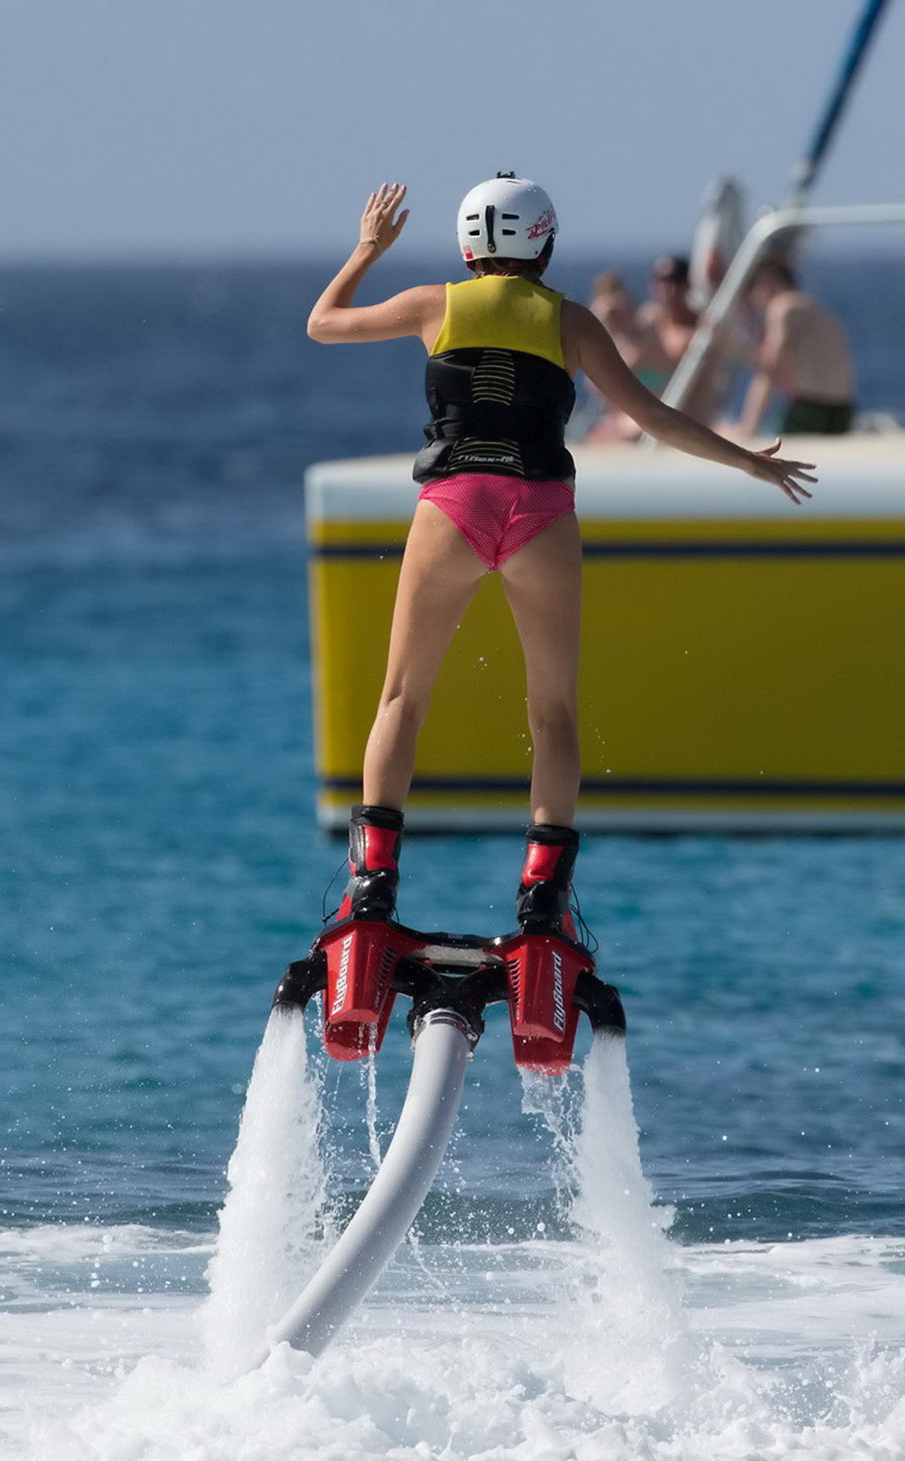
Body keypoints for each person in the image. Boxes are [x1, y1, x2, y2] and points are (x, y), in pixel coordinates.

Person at [306, 175, 816, 943]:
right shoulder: (574, 322)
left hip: (453, 505)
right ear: (543, 240)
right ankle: (542, 900)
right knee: (554, 712)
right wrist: (749, 462)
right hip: (542, 514)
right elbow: (653, 417)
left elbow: (323, 324)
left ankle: (373, 889)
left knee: (401, 701)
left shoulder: (431, 304)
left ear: (467, 243)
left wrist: (367, 249)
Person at [732, 257, 854, 438]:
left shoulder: (781, 307)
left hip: (811, 411)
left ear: (768, 285)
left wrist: (730, 344)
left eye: (752, 287)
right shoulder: (810, 308)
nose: (752, 296)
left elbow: (769, 366)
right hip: (842, 412)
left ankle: (745, 433)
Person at [586, 271, 669, 440]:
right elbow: (595, 386)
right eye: (613, 314)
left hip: (652, 415)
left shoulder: (650, 330)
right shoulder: (608, 348)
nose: (619, 316)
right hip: (623, 421)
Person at [638, 255, 720, 424]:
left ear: (687, 285)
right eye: (661, 280)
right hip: (653, 419)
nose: (669, 288)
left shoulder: (702, 330)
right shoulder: (648, 322)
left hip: (690, 422)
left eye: (676, 280)